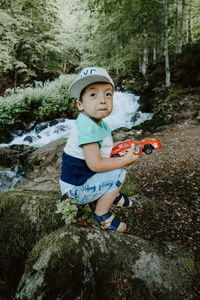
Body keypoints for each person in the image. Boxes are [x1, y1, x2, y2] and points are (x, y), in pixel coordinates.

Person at [60, 67, 139, 232]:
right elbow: (96, 165)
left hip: (81, 180)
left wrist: (117, 154)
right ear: (80, 105)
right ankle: (101, 214)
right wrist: (125, 160)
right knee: (119, 173)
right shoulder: (88, 128)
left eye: (108, 94)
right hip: (74, 191)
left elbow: (102, 152)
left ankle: (111, 195)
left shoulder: (95, 122)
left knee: (115, 165)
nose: (103, 100)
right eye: (93, 95)